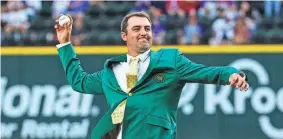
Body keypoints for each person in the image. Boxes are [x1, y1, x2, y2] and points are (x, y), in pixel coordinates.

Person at [54, 12, 249, 139]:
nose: (143, 33)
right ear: (124, 36)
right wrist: (64, 45)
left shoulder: (170, 60)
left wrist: (231, 74)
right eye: (136, 29)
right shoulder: (111, 70)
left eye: (147, 28)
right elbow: (79, 82)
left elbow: (206, 72)